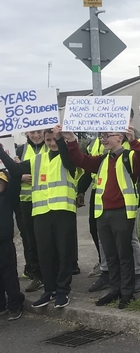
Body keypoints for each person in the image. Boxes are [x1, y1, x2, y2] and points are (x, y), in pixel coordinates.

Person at [65, 126, 140, 309]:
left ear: (119, 137)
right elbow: (80, 160)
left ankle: (127, 293)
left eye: (106, 136)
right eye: (101, 136)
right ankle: (115, 289)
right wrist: (72, 140)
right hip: (103, 213)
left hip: (122, 212)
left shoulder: (129, 157)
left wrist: (133, 139)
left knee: (124, 254)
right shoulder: (103, 160)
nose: (102, 139)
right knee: (110, 255)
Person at [1, 126, 81, 309]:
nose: (52, 143)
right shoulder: (36, 160)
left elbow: (69, 164)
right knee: (44, 253)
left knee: (64, 252)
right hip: (41, 213)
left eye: (55, 140)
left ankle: (62, 291)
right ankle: (49, 290)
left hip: (63, 211)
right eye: (48, 140)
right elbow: (14, 170)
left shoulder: (68, 156)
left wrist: (62, 139)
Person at [15, 129, 46, 293]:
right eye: (32, 132)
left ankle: (50, 272)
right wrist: (20, 177)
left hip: (46, 201)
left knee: (47, 239)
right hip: (26, 202)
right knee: (29, 239)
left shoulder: (49, 146)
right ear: (26, 133)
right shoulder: (20, 150)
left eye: (39, 132)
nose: (36, 135)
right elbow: (11, 170)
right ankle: (36, 274)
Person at [0, 169, 24, 321]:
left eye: (1, 182)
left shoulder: (8, 197)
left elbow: (15, 181)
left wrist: (13, 166)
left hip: (5, 243)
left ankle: (15, 305)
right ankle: (1, 306)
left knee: (9, 275)